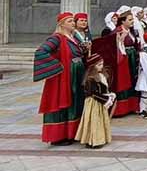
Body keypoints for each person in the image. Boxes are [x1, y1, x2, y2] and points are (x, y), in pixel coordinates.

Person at [33, 12, 86, 145]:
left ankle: (71, 133)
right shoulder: (56, 38)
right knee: (61, 102)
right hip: (64, 77)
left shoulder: (74, 37)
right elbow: (41, 52)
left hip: (76, 75)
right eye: (69, 21)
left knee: (75, 102)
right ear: (61, 24)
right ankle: (58, 137)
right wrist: (58, 66)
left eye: (73, 21)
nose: (73, 23)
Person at [75, 53, 114, 149]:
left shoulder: (101, 76)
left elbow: (103, 90)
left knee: (99, 121)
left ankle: (98, 139)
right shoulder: (90, 79)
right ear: (93, 66)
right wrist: (105, 99)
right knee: (93, 121)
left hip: (100, 101)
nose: (101, 66)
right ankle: (93, 141)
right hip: (93, 103)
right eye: (99, 65)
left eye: (102, 64)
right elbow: (93, 93)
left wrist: (109, 95)